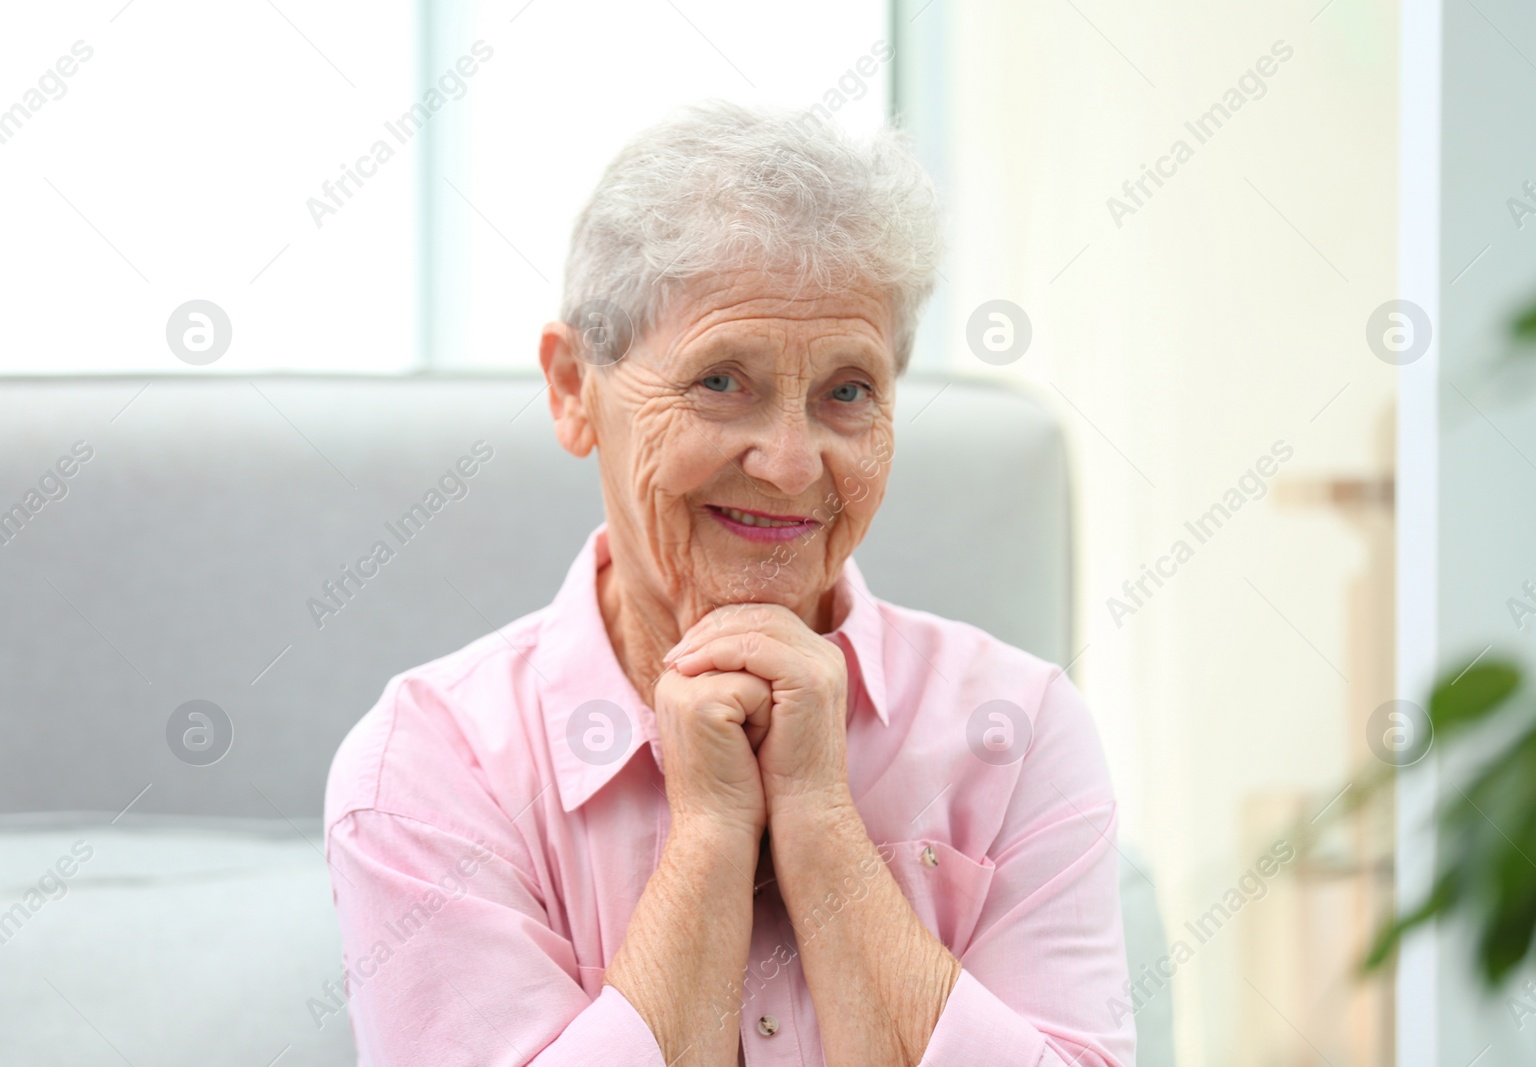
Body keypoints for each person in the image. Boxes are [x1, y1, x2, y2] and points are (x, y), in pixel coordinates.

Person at [324, 99, 1133, 1066]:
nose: (793, 463)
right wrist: (709, 837)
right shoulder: (424, 767)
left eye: (847, 391)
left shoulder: (1019, 726)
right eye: (720, 380)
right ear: (574, 389)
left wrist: (822, 824)